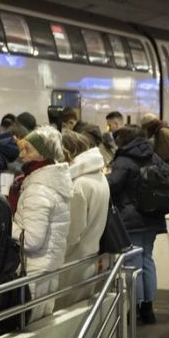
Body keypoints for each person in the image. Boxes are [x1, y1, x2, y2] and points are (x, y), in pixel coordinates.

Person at [107, 125, 169, 325]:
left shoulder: (124, 159)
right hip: (152, 216)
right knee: (147, 259)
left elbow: (113, 184)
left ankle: (132, 308)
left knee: (133, 263)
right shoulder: (154, 156)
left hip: (131, 217)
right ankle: (148, 309)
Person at [12, 126, 73, 321]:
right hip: (47, 267)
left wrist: (5, 224)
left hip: (33, 271)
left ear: (42, 155)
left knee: (27, 327)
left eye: (27, 149)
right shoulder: (51, 183)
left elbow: (30, 240)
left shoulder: (38, 189)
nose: (21, 155)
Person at [58, 131, 109, 306]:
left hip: (73, 261)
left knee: (68, 315)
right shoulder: (98, 176)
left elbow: (73, 233)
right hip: (90, 255)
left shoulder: (79, 184)